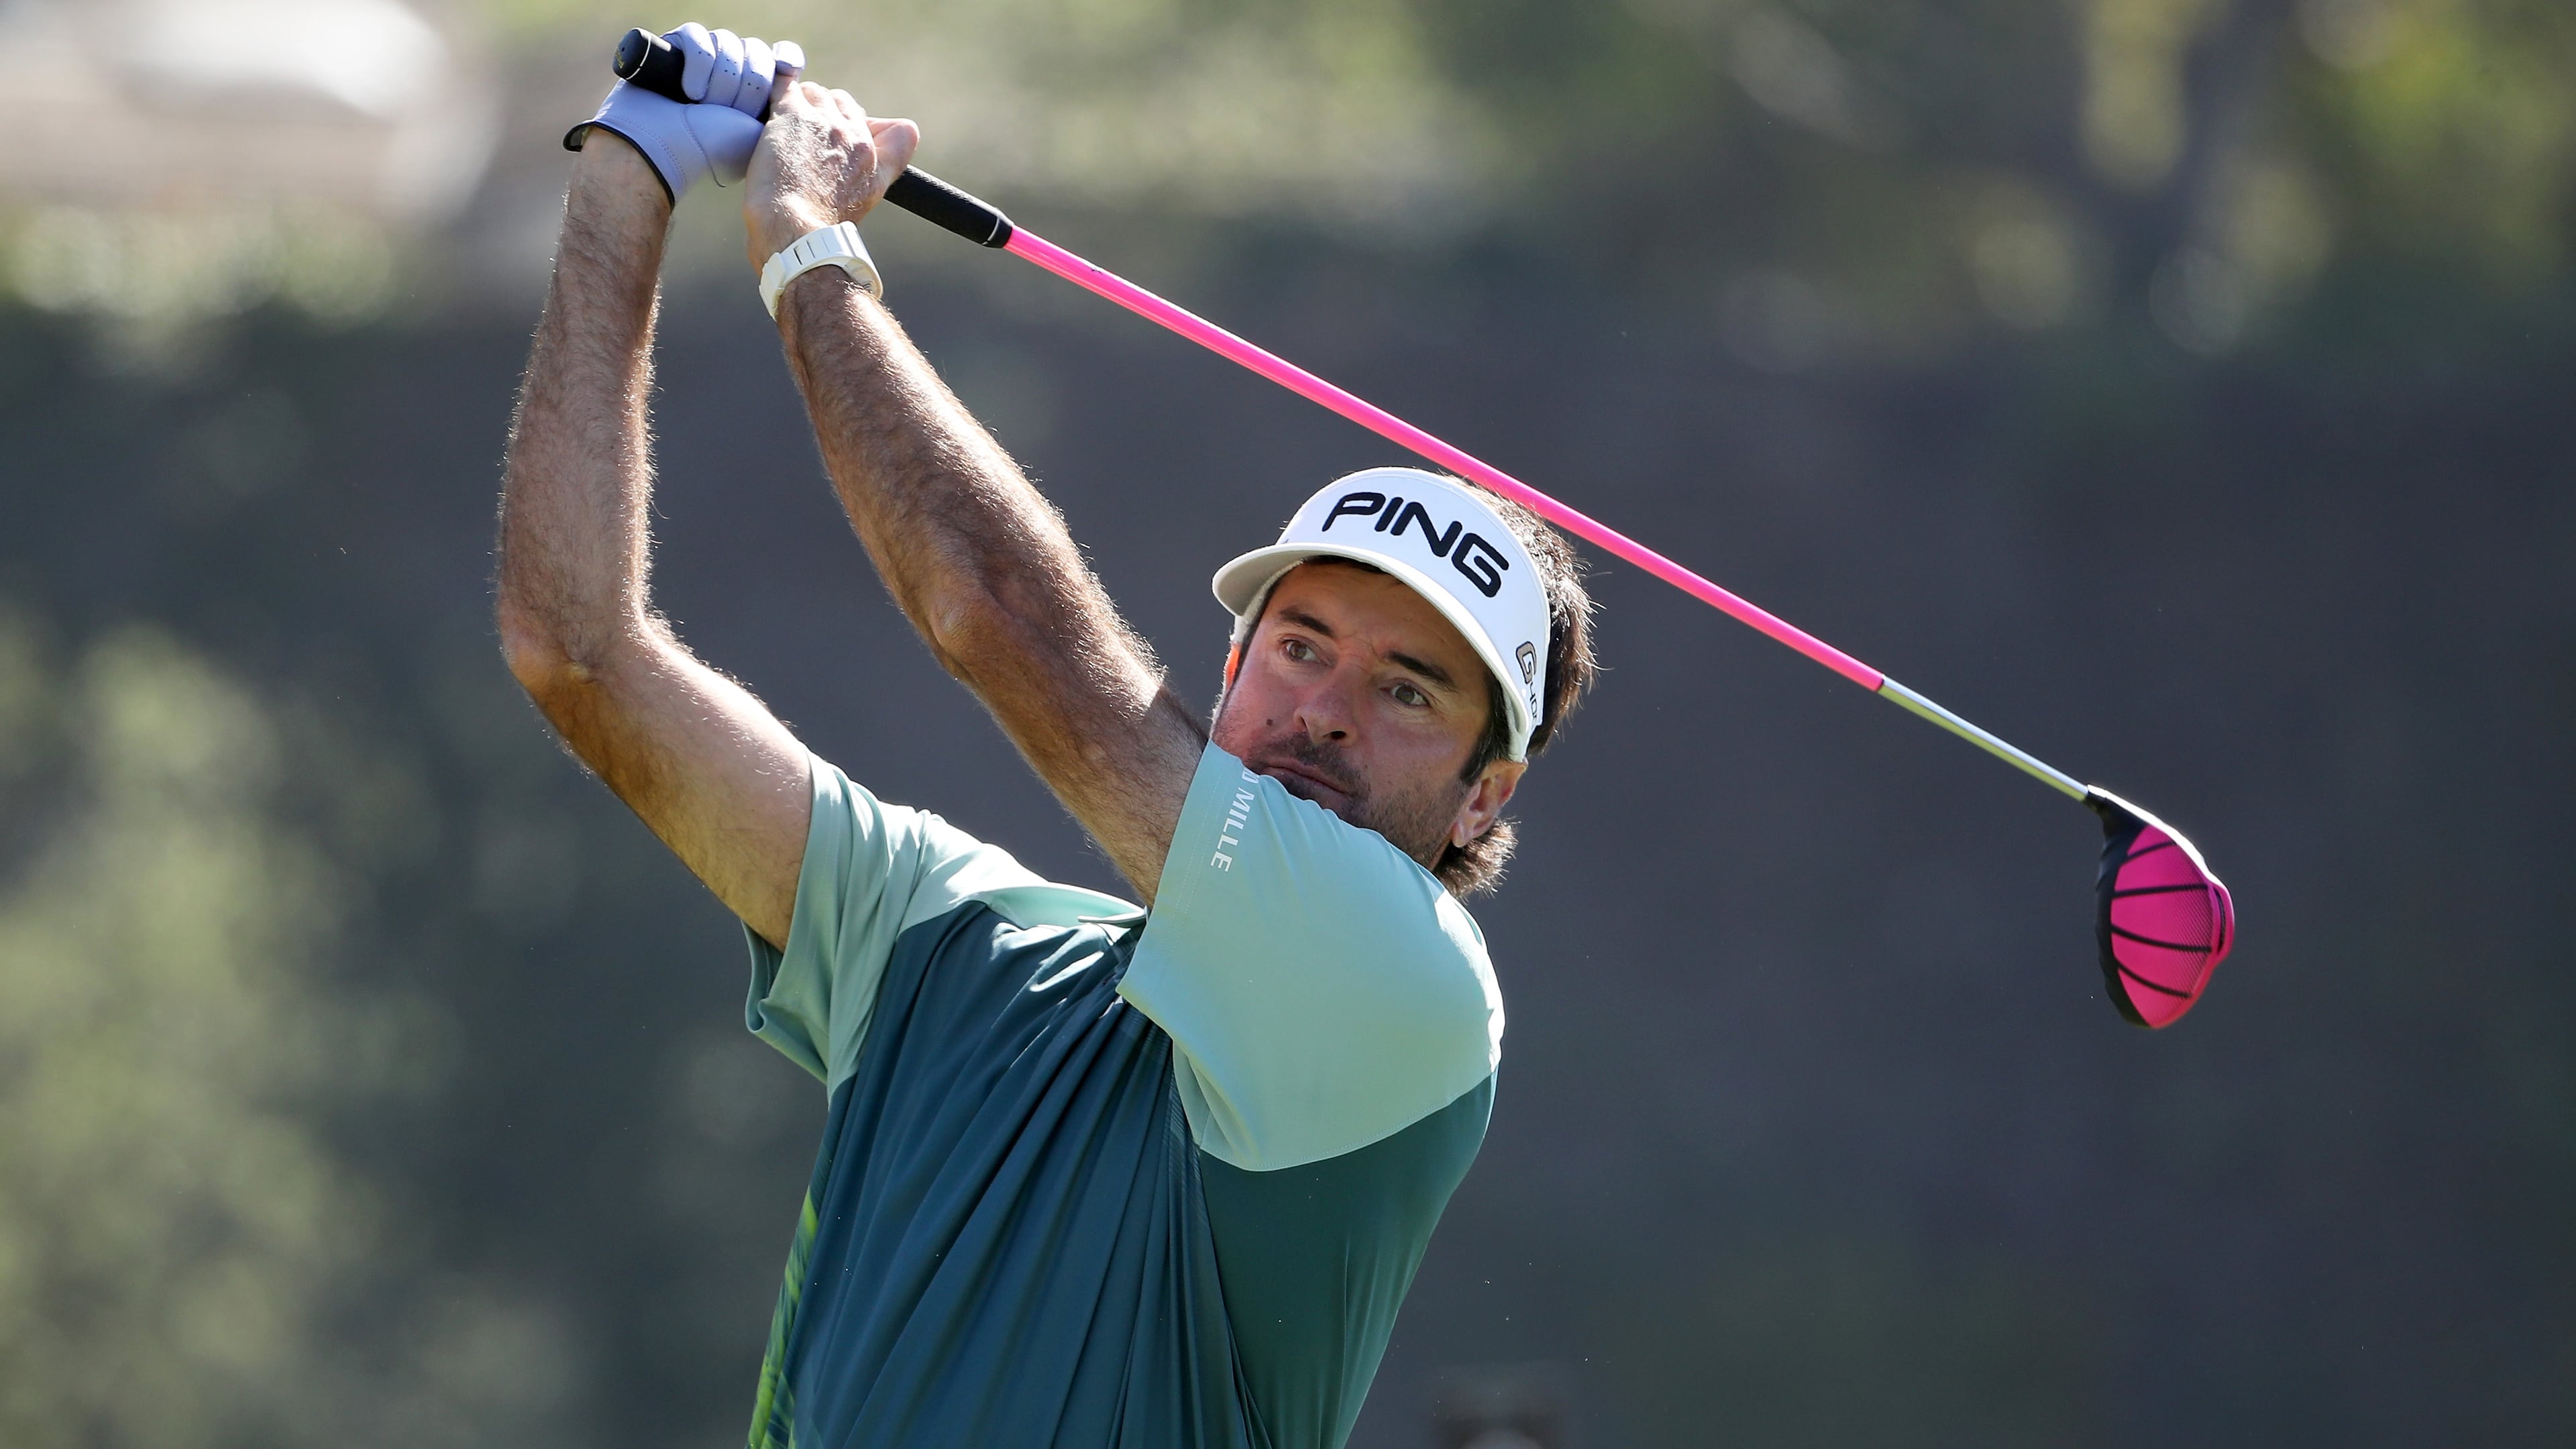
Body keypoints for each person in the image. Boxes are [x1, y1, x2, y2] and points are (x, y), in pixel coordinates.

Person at [496, 24, 1597, 1449]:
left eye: (1407, 692)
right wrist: (627, 172)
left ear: (1479, 797)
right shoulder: (955, 936)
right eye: (1303, 647)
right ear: (1235, 664)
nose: (1324, 708)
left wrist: (808, 254)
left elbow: (991, 614)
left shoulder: (1411, 996)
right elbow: (577, 652)